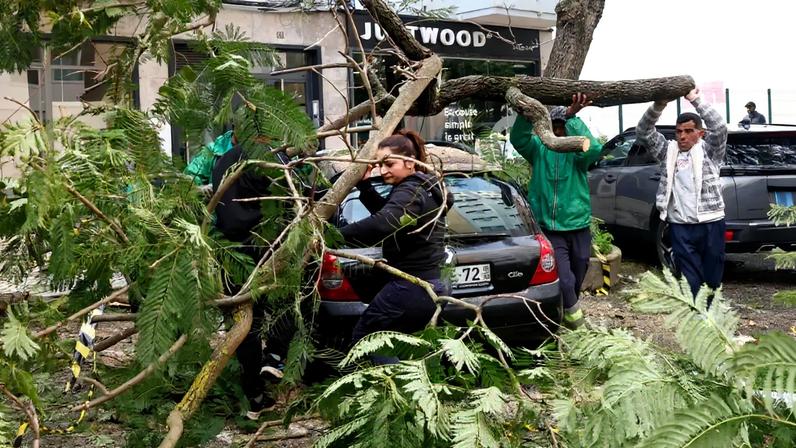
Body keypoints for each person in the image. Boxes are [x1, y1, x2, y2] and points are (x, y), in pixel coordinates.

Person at [339, 130, 453, 347]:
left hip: (411, 285)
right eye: (380, 164)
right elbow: (394, 219)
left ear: (410, 162)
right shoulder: (427, 186)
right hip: (434, 283)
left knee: (366, 340)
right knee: (401, 346)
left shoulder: (410, 190)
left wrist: (334, 235)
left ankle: (385, 371)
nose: (383, 170)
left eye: (389, 164)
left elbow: (384, 223)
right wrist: (365, 186)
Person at [510, 94, 603, 330]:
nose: (559, 132)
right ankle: (577, 325)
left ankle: (563, 310)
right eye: (555, 127)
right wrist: (524, 114)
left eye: (562, 127)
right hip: (550, 228)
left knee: (579, 271)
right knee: (565, 278)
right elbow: (518, 139)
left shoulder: (577, 153)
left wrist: (572, 118)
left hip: (578, 224)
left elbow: (594, 149)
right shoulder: (538, 149)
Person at [636, 88, 728, 299]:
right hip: (680, 225)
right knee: (689, 278)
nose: (682, 136)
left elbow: (720, 128)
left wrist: (695, 100)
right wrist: (659, 104)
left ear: (700, 133)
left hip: (711, 222)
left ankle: (711, 310)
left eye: (688, 131)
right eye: (679, 131)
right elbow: (643, 132)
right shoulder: (667, 152)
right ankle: (695, 312)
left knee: (713, 277)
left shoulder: (709, 151)